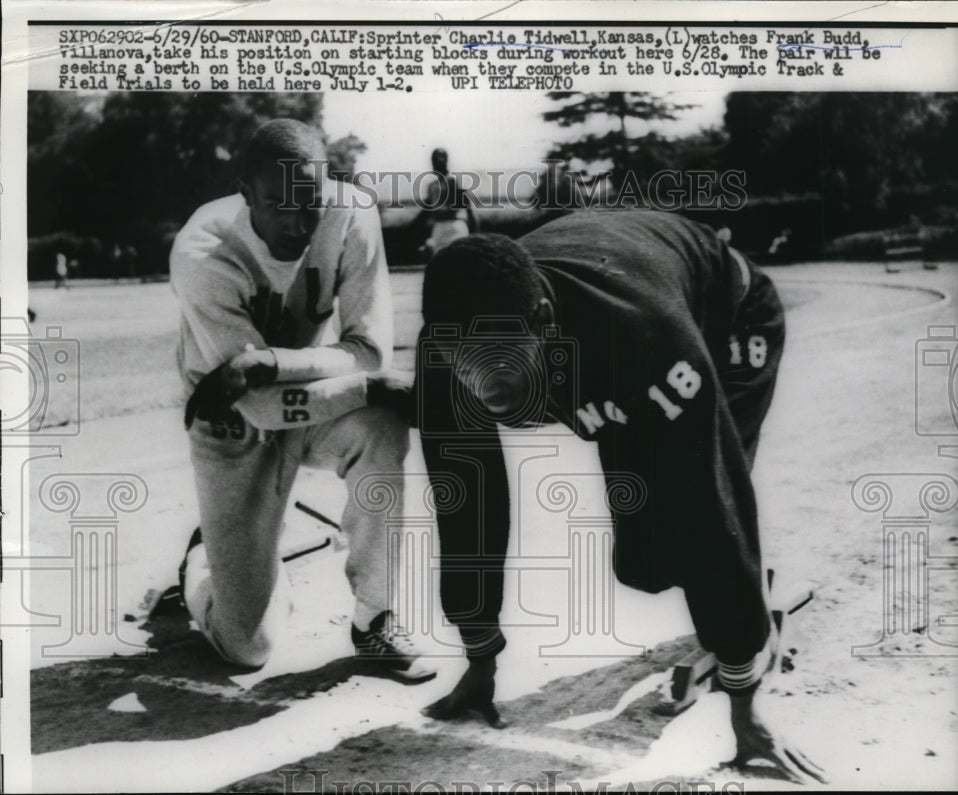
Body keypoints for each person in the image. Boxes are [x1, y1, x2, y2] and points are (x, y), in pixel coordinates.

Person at [414, 210, 825, 784]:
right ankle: (734, 613)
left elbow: (710, 500)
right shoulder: (441, 354)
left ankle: (747, 632)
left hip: (726, 318)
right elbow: (468, 507)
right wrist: (480, 655)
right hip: (617, 324)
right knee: (645, 563)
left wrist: (742, 700)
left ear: (543, 320)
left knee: (695, 515)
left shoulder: (645, 339)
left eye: (503, 351)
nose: (487, 382)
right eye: (465, 358)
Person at [170, 118, 435, 681]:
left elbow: (369, 350)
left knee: (383, 425)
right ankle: (201, 562)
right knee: (248, 647)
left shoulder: (351, 212)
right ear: (246, 194)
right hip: (233, 426)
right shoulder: (203, 250)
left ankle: (376, 618)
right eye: (277, 204)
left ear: (329, 185)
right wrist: (361, 382)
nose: (296, 222)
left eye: (309, 202)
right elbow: (262, 405)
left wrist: (271, 362)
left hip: (320, 404)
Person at [414, 147, 479, 259]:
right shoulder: (432, 186)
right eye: (434, 159)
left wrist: (476, 235)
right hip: (438, 228)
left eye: (440, 158)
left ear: (446, 160)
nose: (437, 162)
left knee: (458, 259)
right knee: (440, 265)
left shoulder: (455, 181)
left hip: (455, 226)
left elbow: (468, 207)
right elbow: (426, 212)